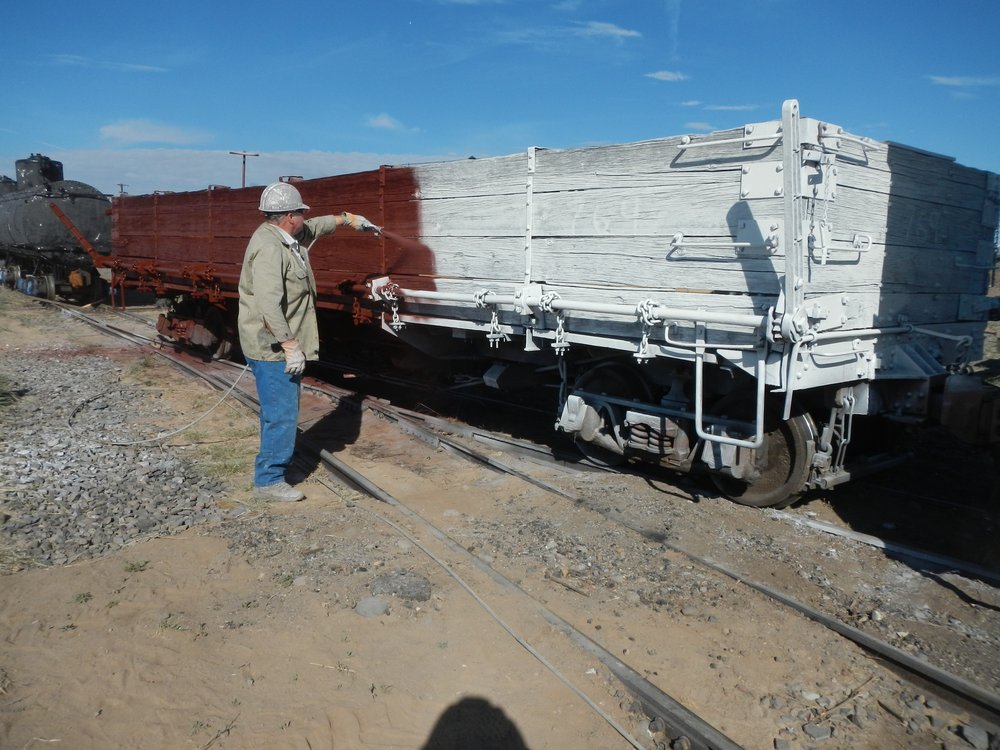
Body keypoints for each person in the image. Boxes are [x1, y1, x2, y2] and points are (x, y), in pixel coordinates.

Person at [237, 180, 377, 502]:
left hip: (273, 342)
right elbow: (268, 305)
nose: (304, 217)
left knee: (278, 410)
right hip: (271, 347)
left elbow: (315, 226)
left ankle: (271, 470)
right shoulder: (271, 249)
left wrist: (347, 219)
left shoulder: (285, 235)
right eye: (300, 212)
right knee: (282, 413)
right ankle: (269, 481)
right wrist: (289, 346)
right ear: (289, 216)